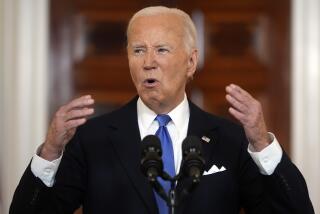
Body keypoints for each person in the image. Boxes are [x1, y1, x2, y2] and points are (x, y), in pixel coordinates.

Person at [10, 6, 314, 214]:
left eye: (162, 49)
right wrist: (50, 150)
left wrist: (261, 143)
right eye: (138, 50)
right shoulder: (92, 140)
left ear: (191, 62)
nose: (148, 62)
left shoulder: (231, 140)